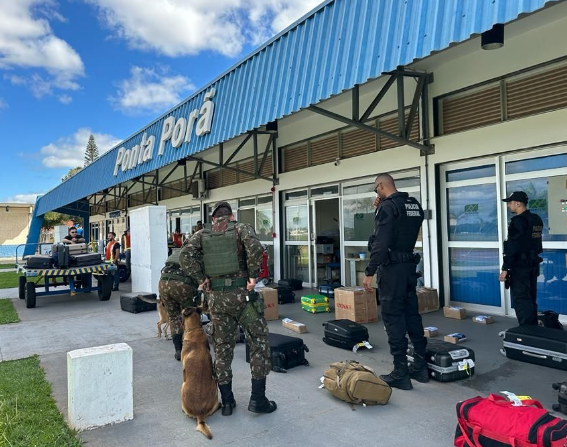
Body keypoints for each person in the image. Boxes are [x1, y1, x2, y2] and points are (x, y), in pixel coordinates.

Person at [180, 201, 276, 416]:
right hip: (244, 297)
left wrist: (201, 279)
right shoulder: (241, 228)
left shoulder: (202, 233)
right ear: (231, 216)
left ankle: (228, 403)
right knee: (258, 343)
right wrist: (252, 275)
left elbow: (185, 255)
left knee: (223, 348)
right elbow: (255, 247)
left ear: (214, 219)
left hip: (216, 299)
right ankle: (258, 400)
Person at [363, 174, 428, 390]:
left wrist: (370, 271)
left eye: (376, 189)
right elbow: (403, 229)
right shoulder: (413, 204)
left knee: (393, 317)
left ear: (381, 186)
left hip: (392, 271)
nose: (376, 193)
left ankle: (400, 372)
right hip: (409, 267)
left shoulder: (388, 208)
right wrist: (381, 208)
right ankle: (420, 366)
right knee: (411, 314)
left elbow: (381, 242)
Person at [499, 191, 543, 326]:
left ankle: (527, 331)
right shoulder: (536, 219)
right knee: (530, 298)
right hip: (533, 264)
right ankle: (533, 328)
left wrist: (505, 268)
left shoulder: (518, 222)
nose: (508, 206)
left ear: (518, 204)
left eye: (510, 203)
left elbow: (513, 247)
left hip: (520, 266)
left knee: (522, 299)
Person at [159, 249, 199, 360]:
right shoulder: (195, 252)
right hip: (181, 284)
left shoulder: (178, 252)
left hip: (163, 283)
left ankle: (178, 350)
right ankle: (192, 346)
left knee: (173, 317)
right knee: (191, 313)